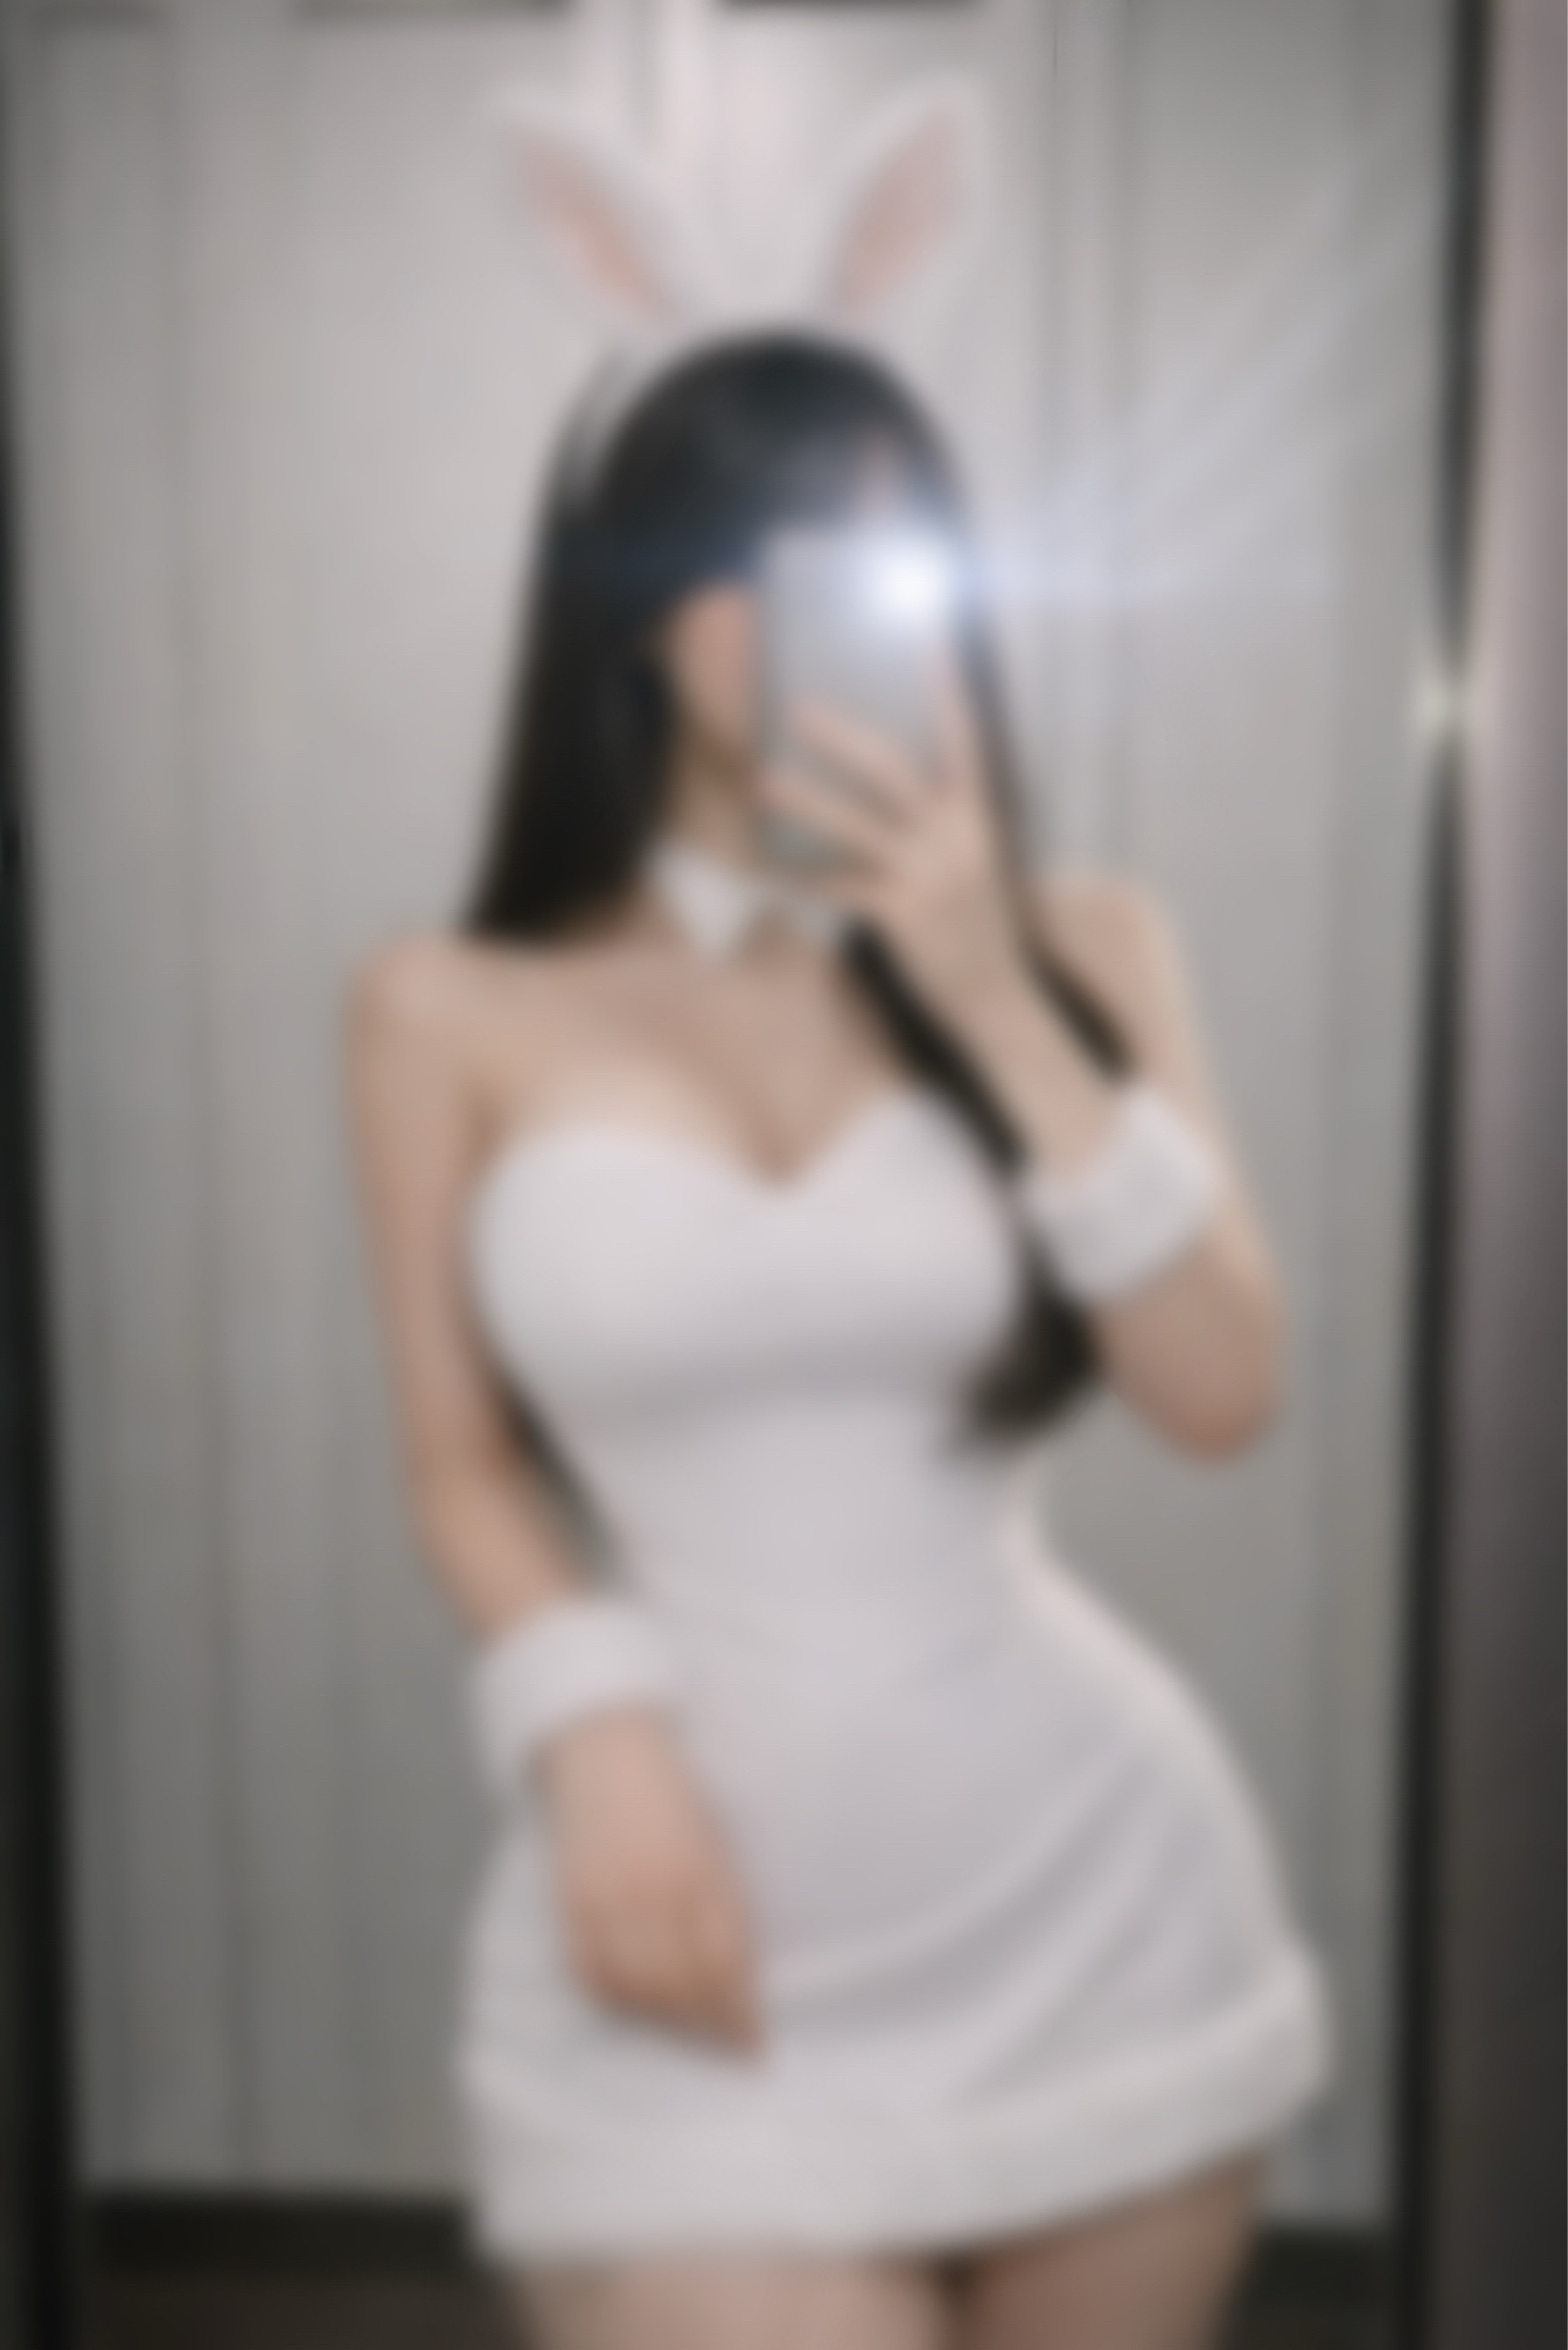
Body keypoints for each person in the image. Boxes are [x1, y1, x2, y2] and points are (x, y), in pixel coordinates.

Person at [343, 330, 1330, 2350]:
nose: (816, 602)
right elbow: (457, 1467)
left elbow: (1223, 1392)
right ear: (630, 607)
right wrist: (591, 1731)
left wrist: (986, 989)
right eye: (755, 547)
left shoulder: (1091, 944)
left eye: (880, 553)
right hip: (686, 1930)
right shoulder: (443, 1009)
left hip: (1090, 1907)